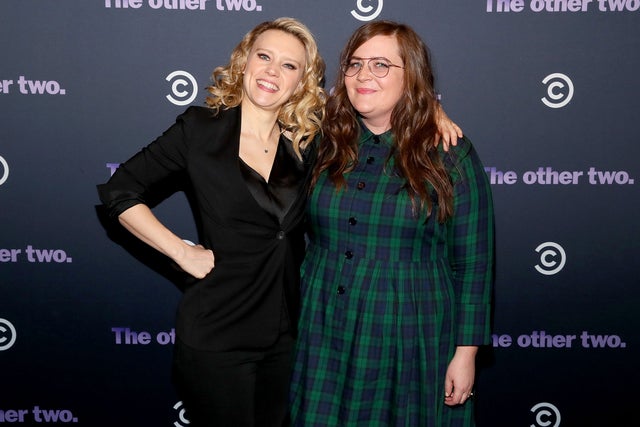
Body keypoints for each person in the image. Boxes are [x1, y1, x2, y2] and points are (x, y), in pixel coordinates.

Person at [98, 17, 325, 427]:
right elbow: (119, 192)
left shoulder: (307, 142)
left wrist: (432, 114)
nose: (273, 71)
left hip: (287, 335)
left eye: (289, 66)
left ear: (302, 82)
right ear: (244, 62)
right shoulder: (200, 130)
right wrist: (181, 251)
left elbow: (381, 126)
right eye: (265, 56)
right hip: (219, 333)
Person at [289, 20, 494, 427]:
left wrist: (465, 353)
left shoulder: (450, 154)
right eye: (355, 64)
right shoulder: (323, 139)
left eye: (382, 65)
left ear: (411, 75)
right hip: (322, 325)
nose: (364, 75)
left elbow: (473, 265)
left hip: (409, 331)